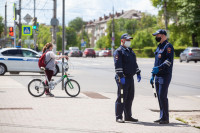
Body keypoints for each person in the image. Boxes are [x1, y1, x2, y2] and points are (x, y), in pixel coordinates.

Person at [113, 33, 141, 123]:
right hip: (123, 78)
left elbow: (134, 63)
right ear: (122, 41)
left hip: (130, 78)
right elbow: (118, 65)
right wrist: (121, 76)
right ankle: (118, 117)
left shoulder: (130, 51)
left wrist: (138, 72)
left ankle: (128, 116)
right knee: (121, 98)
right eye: (127, 40)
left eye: (129, 40)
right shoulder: (119, 51)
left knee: (130, 97)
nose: (129, 42)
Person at [150, 29, 174, 124]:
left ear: (163, 35)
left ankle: (165, 118)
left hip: (165, 75)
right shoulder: (159, 47)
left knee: (162, 96)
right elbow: (156, 62)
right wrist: (153, 75)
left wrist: (159, 68)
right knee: (159, 97)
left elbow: (168, 61)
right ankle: (161, 116)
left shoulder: (168, 47)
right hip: (157, 75)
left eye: (158, 35)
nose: (156, 37)